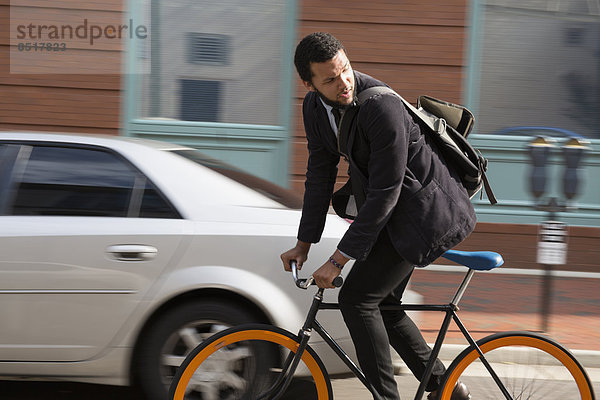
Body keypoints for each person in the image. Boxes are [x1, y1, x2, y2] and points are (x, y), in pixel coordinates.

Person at [280, 32, 475, 400]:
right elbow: (320, 175)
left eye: (346, 70)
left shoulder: (380, 106)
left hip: (424, 214)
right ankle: (446, 388)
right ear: (308, 84)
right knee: (382, 303)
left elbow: (387, 191)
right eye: (330, 79)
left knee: (358, 299)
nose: (344, 83)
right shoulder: (314, 109)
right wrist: (303, 243)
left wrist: (337, 261)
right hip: (392, 213)